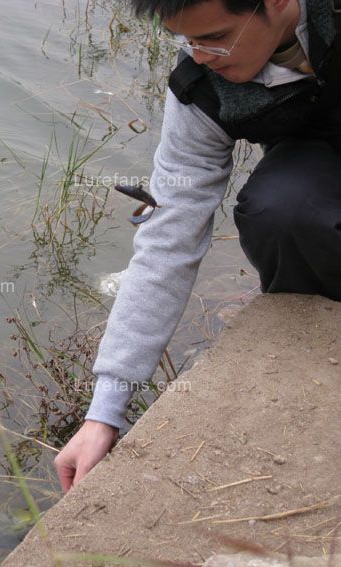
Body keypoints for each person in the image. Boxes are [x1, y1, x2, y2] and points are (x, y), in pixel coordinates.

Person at [54, 0, 341, 492]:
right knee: (279, 211)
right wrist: (104, 413)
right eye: (188, 40)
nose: (201, 56)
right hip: (318, 156)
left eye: (216, 37)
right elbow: (168, 240)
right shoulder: (201, 89)